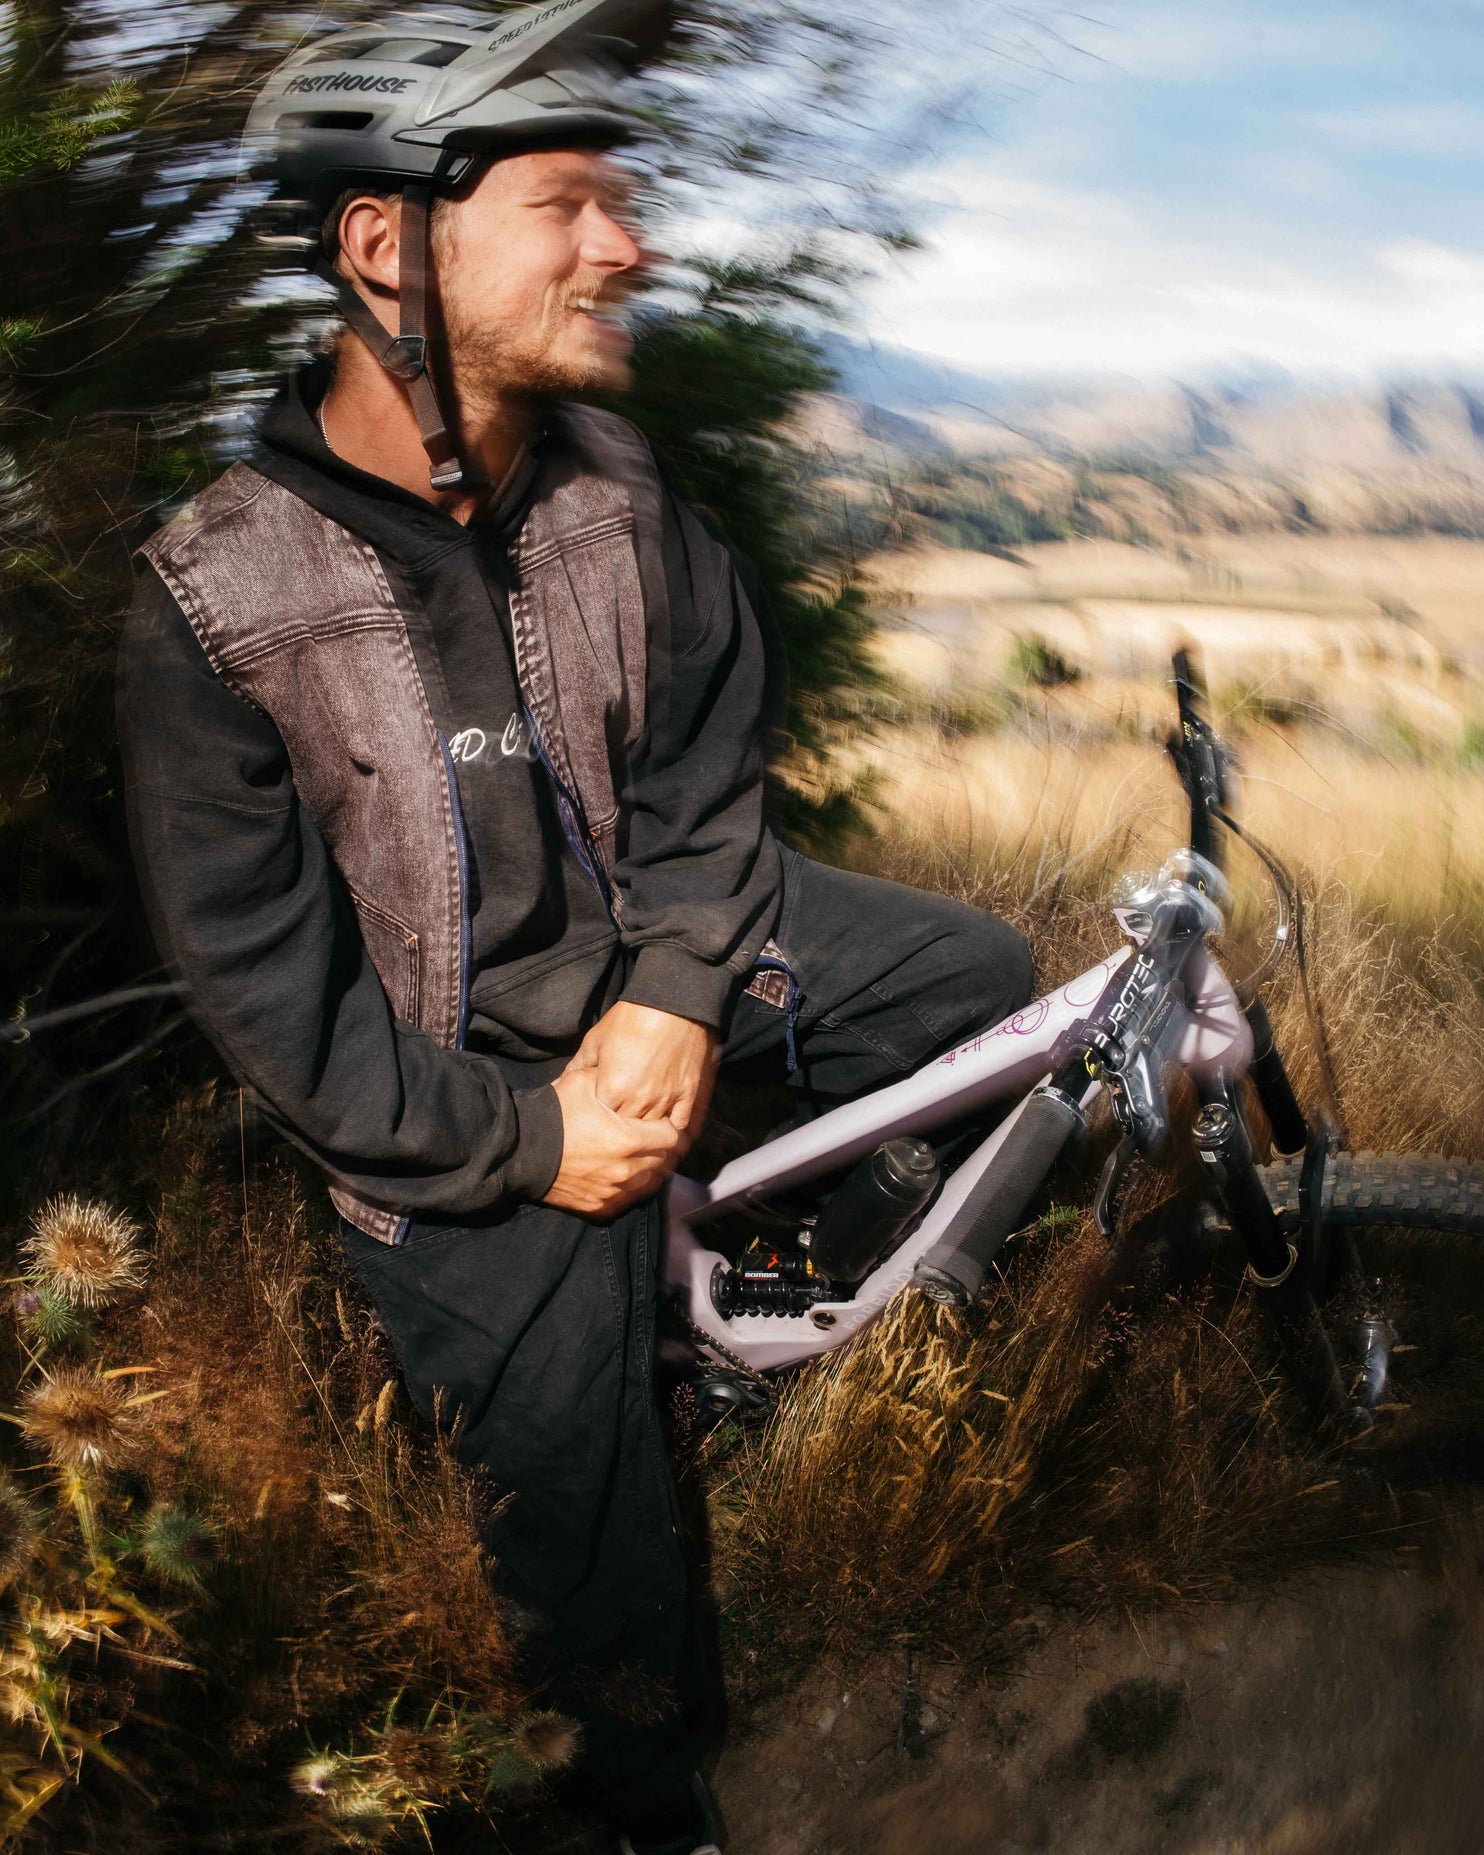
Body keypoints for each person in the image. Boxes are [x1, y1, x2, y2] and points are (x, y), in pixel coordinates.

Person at [115, 6, 1033, 1851]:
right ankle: (642, 1803)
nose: (629, 245)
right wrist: (542, 1147)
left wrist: (679, 992)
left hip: (650, 963)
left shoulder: (615, 482)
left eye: (623, 202)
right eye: (567, 205)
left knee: (979, 987)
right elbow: (279, 1009)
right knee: (606, 1591)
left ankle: (752, 1289)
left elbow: (703, 761)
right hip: (453, 1091)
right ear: (386, 243)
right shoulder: (214, 600)